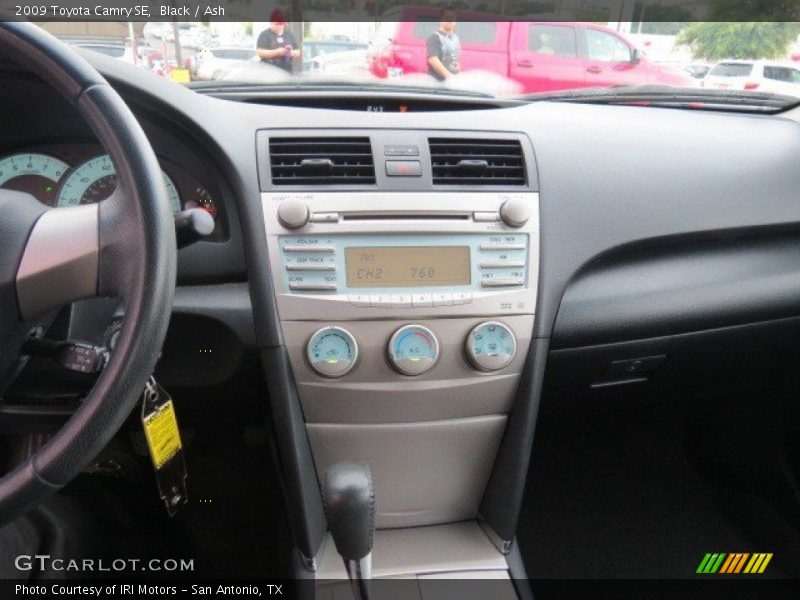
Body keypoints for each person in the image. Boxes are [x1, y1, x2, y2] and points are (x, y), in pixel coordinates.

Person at [426, 9, 460, 81]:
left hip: (451, 81)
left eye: (452, 18)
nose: (449, 20)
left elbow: (456, 60)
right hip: (438, 82)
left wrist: (458, 76)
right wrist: (449, 77)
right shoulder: (435, 37)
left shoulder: (455, 38)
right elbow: (433, 60)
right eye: (446, 17)